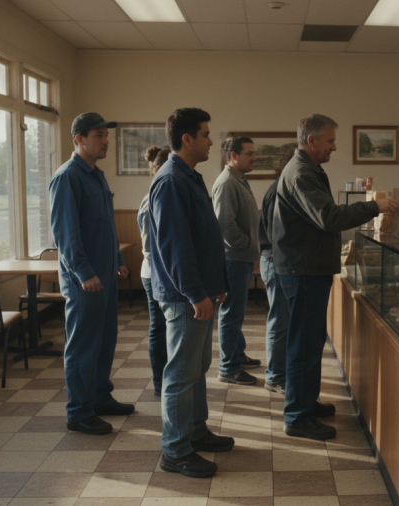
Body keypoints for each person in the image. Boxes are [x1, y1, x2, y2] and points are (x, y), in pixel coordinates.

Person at [273, 114, 399, 440]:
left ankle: (305, 403)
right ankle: (297, 417)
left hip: (308, 268)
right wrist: (375, 206)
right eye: (329, 141)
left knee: (311, 341)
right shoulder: (301, 173)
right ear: (311, 140)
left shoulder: (309, 169)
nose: (334, 147)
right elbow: (328, 217)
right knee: (303, 345)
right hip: (303, 270)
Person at [149, 107, 231, 478]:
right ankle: (176, 450)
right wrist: (196, 294)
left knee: (197, 368)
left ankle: (195, 431)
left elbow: (205, 237)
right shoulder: (170, 181)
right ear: (187, 139)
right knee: (181, 374)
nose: (211, 141)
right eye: (206, 134)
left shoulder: (188, 177)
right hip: (185, 298)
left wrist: (217, 285)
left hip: (200, 292)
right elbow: (175, 247)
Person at [49, 112, 134, 435]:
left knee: (104, 341)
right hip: (84, 281)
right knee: (83, 346)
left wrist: (117, 259)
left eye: (106, 135)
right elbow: (66, 234)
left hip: (105, 275)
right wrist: (84, 272)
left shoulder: (96, 175)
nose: (105, 141)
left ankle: (99, 397)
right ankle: (79, 412)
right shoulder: (67, 177)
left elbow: (106, 225)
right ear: (79, 139)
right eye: (98, 135)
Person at [213, 136, 262, 386]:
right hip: (233, 258)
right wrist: (245, 243)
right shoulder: (226, 182)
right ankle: (229, 367)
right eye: (249, 153)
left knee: (236, 312)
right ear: (234, 156)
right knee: (231, 312)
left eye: (254, 153)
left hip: (241, 257)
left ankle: (237, 355)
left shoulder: (238, 179)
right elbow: (225, 225)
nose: (254, 157)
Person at [258, 149, 295, 395]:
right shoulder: (279, 190)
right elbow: (276, 236)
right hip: (275, 262)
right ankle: (274, 376)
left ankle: (279, 372)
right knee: (279, 322)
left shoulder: (284, 187)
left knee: (282, 321)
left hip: (277, 261)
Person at [137, 145, 170, 397]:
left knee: (165, 328)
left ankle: (168, 379)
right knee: (159, 328)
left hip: (163, 273)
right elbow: (149, 249)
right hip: (155, 274)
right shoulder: (151, 199)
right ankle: (160, 383)